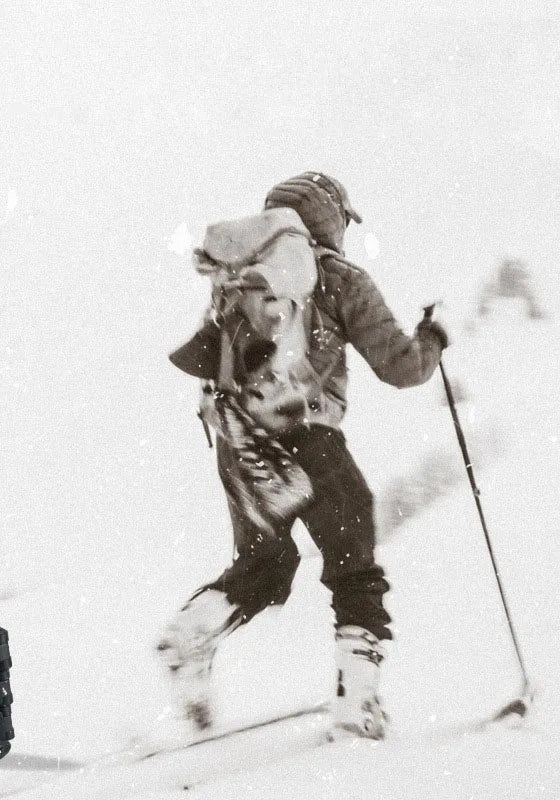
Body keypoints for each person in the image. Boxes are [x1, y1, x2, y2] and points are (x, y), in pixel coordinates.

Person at [158, 171, 449, 740]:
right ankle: (357, 703)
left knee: (266, 566)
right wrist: (433, 336)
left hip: (240, 443)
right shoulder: (339, 279)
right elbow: (402, 368)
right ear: (331, 218)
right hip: (310, 438)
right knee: (354, 562)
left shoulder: (237, 282)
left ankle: (193, 632)